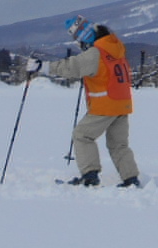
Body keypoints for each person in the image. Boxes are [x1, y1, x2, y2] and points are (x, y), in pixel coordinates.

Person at [28, 20, 141, 188]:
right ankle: (131, 179)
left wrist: (42, 67)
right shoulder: (115, 49)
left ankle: (90, 176)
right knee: (118, 144)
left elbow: (71, 67)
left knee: (82, 135)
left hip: (105, 104)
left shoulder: (96, 53)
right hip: (122, 104)